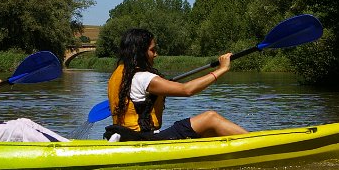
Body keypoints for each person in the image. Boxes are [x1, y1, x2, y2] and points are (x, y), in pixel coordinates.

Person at [106, 28, 247, 141]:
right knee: (210, 118)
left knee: (205, 130)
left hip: (127, 137)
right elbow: (187, 90)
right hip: (146, 139)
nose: (156, 55)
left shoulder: (118, 76)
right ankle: (258, 142)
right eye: (152, 50)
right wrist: (222, 69)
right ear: (140, 52)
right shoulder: (143, 77)